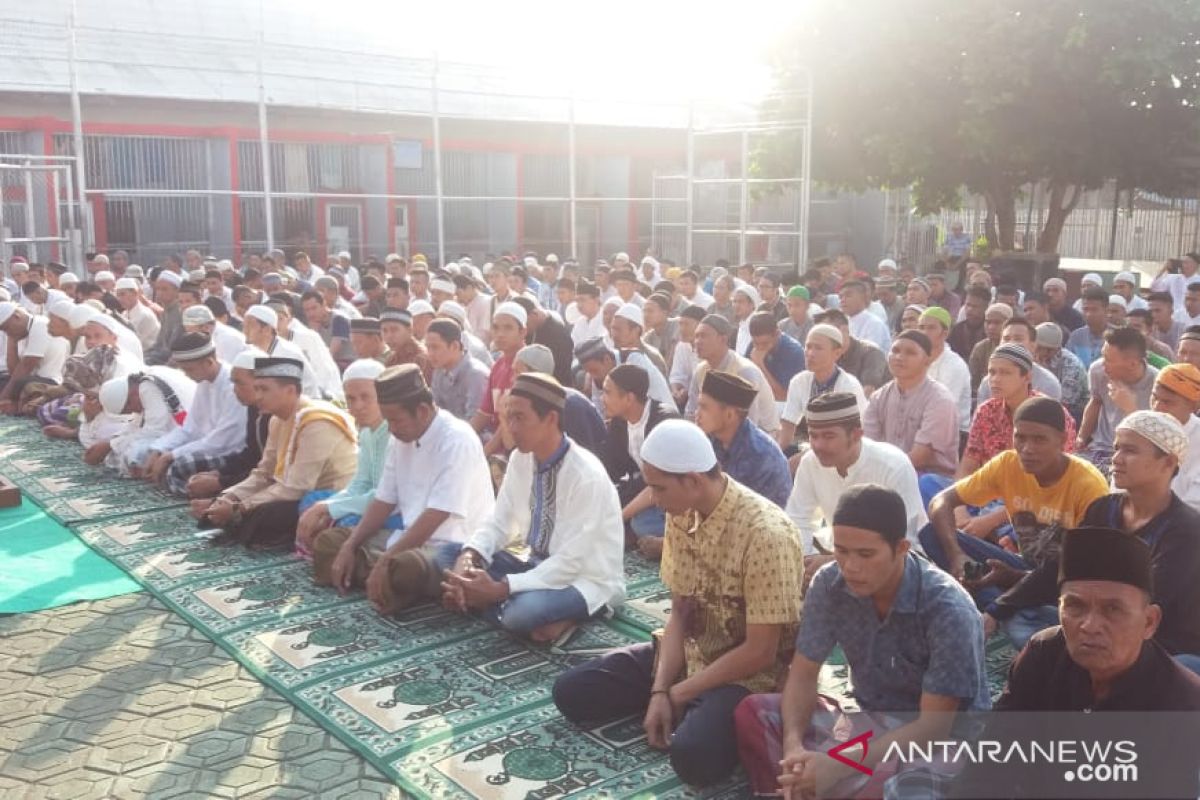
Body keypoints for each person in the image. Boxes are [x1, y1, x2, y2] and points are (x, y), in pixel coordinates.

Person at [553, 419, 804, 788]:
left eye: (658, 487)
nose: (652, 498)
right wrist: (660, 689)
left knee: (693, 759)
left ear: (693, 481)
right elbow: (680, 615)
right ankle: (688, 709)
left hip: (748, 676)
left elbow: (761, 652)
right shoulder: (682, 512)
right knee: (571, 693)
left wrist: (680, 692)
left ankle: (705, 712)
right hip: (693, 653)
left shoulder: (766, 533)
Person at [737, 485, 988, 798]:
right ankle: (795, 787)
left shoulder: (948, 609)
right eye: (841, 551)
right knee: (754, 711)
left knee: (908, 791)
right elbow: (802, 674)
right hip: (868, 720)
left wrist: (838, 764)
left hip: (938, 741)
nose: (850, 567)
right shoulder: (829, 583)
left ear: (901, 548)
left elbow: (932, 729)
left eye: (865, 554)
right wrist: (794, 751)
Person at [992, 411, 1200, 665]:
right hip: (1094, 623)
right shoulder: (1103, 509)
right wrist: (996, 609)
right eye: (1116, 448)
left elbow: (1148, 601)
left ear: (1167, 463)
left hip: (1157, 641)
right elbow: (1062, 567)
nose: (1116, 459)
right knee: (1021, 616)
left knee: (1186, 669)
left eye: (1130, 451)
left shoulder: (1186, 529)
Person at [440, 373, 625, 641]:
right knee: (446, 557)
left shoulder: (586, 475)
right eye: (508, 417)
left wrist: (501, 589)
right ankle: (486, 600)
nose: (511, 428)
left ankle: (494, 604)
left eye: (519, 418)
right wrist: (469, 558)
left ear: (550, 419)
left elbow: (572, 562)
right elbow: (499, 520)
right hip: (534, 565)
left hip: (584, 579)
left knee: (521, 614)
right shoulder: (520, 459)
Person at [923, 397, 1109, 647]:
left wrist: (1012, 582)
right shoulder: (1008, 464)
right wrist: (957, 556)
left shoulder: (1088, 485)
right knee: (931, 532)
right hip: (1022, 567)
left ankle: (1002, 607)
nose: (1027, 448)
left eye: (1039, 439)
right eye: (1020, 438)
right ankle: (1005, 601)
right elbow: (941, 502)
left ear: (1063, 441)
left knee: (1029, 635)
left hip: (1067, 580)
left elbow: (1083, 569)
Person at [311, 364, 496, 614]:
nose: (391, 428)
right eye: (388, 420)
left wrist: (386, 560)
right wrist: (350, 545)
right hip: (406, 538)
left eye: (395, 420)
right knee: (329, 543)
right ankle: (382, 578)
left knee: (407, 569)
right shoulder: (400, 438)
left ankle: (381, 574)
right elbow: (383, 500)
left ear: (421, 411)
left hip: (453, 548)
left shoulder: (456, 440)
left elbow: (436, 515)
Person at [994, 526, 1200, 711]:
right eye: (1075, 606)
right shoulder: (1041, 654)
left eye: (1112, 609)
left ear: (1149, 622)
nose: (1090, 626)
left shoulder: (1183, 706)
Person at [201, 357, 358, 549]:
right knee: (236, 507)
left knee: (266, 514)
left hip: (324, 497)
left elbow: (296, 488)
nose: (257, 396)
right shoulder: (276, 420)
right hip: (295, 491)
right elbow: (264, 474)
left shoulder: (317, 422)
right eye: (256, 389)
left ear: (290, 391)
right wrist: (228, 497)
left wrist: (239, 508)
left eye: (264, 389)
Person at [787, 394, 926, 555]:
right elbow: (798, 519)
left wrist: (834, 565)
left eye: (828, 436)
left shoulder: (894, 466)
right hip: (835, 553)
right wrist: (806, 560)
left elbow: (904, 541)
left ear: (856, 435)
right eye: (813, 436)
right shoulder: (810, 462)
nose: (818, 445)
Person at [141, 334, 245, 496]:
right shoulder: (204, 382)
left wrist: (171, 455)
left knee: (180, 466)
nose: (186, 375)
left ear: (209, 362)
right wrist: (160, 450)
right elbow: (190, 429)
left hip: (232, 454)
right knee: (151, 455)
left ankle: (214, 491)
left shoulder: (234, 386)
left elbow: (221, 442)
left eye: (189, 369)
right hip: (208, 449)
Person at [602, 363, 680, 555]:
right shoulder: (619, 423)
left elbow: (663, 483)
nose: (603, 399)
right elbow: (613, 471)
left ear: (629, 398)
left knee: (641, 523)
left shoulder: (664, 422)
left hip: (673, 496)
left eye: (608, 393)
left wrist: (619, 517)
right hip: (643, 490)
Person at [863, 330, 959, 478]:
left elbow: (921, 456)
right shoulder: (878, 397)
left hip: (929, 478)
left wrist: (884, 473)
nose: (899, 357)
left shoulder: (939, 399)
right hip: (887, 472)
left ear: (927, 360)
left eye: (910, 352)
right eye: (895, 351)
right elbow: (868, 446)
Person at [185, 348, 270, 510]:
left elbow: (273, 475)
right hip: (259, 477)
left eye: (239, 383)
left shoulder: (277, 416)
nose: (234, 389)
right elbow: (251, 456)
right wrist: (218, 474)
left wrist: (220, 484)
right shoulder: (254, 409)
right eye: (232, 382)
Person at [694, 370, 792, 508]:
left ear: (729, 415)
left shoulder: (762, 457)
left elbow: (756, 516)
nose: (697, 414)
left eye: (704, 408)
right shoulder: (706, 439)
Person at [1077, 327, 1158, 475]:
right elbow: (1095, 402)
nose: (1102, 364)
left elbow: (1154, 440)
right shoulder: (1098, 371)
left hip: (1133, 455)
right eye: (1103, 356)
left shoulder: (1157, 385)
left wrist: (1130, 408)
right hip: (1099, 448)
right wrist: (1081, 438)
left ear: (1132, 364)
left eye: (1108, 359)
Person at [684, 315, 781, 435]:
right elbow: (691, 413)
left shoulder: (744, 371)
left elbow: (749, 425)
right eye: (696, 336)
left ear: (723, 339)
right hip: (719, 434)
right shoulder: (700, 370)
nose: (697, 341)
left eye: (703, 336)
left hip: (760, 438)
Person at [95, 366, 197, 476]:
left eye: (129, 409)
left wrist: (112, 444)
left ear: (130, 398)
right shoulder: (147, 379)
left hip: (193, 437)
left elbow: (154, 431)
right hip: (182, 431)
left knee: (135, 453)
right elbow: (136, 424)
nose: (133, 412)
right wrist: (113, 443)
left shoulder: (147, 387)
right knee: (124, 446)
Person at [779, 324, 868, 448]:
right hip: (815, 446)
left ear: (836, 353)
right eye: (808, 346)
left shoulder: (848, 386)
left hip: (846, 448)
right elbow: (788, 423)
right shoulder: (799, 381)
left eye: (818, 348)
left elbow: (849, 437)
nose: (810, 353)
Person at [514, 344, 606, 459]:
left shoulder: (570, 404)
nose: (512, 379)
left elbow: (586, 456)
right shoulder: (533, 403)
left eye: (517, 372)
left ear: (535, 375)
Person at [0, 303, 70, 413]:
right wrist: (11, 340)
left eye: (6, 328)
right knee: (4, 379)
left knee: (21, 384)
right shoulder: (22, 331)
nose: (7, 332)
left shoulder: (41, 326)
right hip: (31, 379)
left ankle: (13, 406)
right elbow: (13, 371)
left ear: (16, 317)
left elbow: (26, 367)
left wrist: (3, 397)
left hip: (51, 382)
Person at [976, 318, 1064, 403]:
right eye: (1006, 339)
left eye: (1018, 339)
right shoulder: (988, 383)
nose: (1011, 343)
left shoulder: (1047, 384)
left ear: (1033, 346)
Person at [918, 306, 972, 441]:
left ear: (945, 333)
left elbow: (944, 408)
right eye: (921, 327)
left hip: (952, 433)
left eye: (931, 328)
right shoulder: (916, 359)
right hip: (919, 426)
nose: (924, 332)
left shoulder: (955, 365)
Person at [1151, 364, 1200, 511]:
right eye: (1154, 398)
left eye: (1167, 402)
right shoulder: (1140, 430)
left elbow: (1195, 506)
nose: (1157, 407)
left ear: (1193, 406)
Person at [426, 318, 488, 422]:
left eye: (435, 347)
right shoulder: (439, 371)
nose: (430, 354)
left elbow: (476, 421)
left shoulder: (476, 375)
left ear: (455, 346)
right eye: (428, 348)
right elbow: (434, 412)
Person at [816, 309, 889, 396]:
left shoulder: (871, 353)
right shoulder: (829, 355)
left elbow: (867, 393)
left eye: (827, 333)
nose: (823, 338)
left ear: (844, 330)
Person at [1034, 322, 1088, 423]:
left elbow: (1064, 403)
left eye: (1048, 349)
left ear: (1056, 349)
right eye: (1038, 347)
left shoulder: (1071, 365)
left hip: (1073, 411)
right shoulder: (1031, 356)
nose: (1042, 352)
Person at [746, 312, 805, 404]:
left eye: (765, 344)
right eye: (756, 343)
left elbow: (783, 396)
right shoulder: (755, 344)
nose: (760, 348)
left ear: (777, 334)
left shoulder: (794, 352)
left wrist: (759, 365)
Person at [967, 302, 1013, 395]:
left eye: (997, 323)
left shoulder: (1016, 347)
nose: (991, 327)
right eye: (988, 322)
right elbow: (972, 382)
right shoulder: (980, 348)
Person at [379, 307, 433, 382]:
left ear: (410, 330)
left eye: (394, 330)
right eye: (384, 331)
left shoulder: (421, 359)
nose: (389, 336)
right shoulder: (392, 359)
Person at [668, 305, 706, 409]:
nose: (682, 329)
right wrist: (676, 390)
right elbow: (677, 375)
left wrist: (687, 391)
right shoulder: (682, 346)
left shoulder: (709, 348)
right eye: (680, 324)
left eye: (687, 324)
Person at [840, 280, 891, 352]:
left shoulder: (874, 324)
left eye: (848, 295)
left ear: (863, 297)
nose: (842, 300)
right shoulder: (843, 322)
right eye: (841, 297)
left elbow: (871, 354)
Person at [1066, 286, 1111, 367]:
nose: (1089, 314)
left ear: (1106, 310)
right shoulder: (1076, 337)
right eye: (1086, 309)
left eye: (1094, 310)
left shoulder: (1118, 337)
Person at [145, 271, 184, 365]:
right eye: (158, 289)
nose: (159, 293)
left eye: (164, 289)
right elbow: (159, 343)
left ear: (177, 291)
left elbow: (170, 349)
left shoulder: (180, 313)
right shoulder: (165, 312)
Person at [114, 277, 160, 352]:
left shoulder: (144, 315)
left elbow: (133, 342)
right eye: (117, 295)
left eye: (122, 294)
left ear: (135, 293)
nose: (119, 298)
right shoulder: (124, 313)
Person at [1149, 290, 1188, 356]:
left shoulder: (1184, 332)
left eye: (1157, 311)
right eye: (1150, 311)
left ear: (1171, 311)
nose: (1153, 315)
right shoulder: (1148, 333)